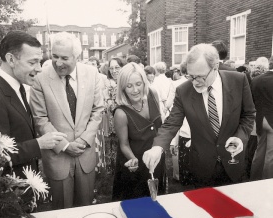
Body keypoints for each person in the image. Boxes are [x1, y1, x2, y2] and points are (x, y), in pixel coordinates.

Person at [143, 43, 255, 188]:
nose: (195, 82)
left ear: (215, 67)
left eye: (200, 77)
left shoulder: (239, 80)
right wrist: (157, 147)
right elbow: (172, 123)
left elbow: (248, 115)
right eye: (191, 76)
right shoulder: (183, 91)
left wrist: (240, 138)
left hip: (234, 163)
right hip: (202, 168)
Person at [0, 31, 66, 179]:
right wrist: (39, 144)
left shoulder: (19, 87)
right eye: (32, 62)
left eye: (39, 61)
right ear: (11, 60)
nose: (39, 68)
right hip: (9, 191)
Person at [30, 32, 104, 209]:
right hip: (58, 159)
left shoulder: (92, 74)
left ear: (76, 56)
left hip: (84, 154)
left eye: (64, 58)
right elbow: (40, 119)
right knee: (62, 211)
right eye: (54, 56)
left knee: (85, 208)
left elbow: (97, 110)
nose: (58, 62)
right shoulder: (40, 79)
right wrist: (65, 146)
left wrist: (84, 140)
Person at [112, 62, 165, 201]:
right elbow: (123, 144)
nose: (135, 90)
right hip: (136, 166)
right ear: (123, 88)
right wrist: (133, 159)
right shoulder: (121, 113)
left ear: (144, 83)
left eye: (138, 84)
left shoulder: (153, 95)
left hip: (156, 158)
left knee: (159, 202)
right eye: (129, 86)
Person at [250, 56, 273, 180]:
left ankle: (254, 179)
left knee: (259, 152)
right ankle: (267, 184)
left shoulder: (256, 79)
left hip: (259, 120)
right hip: (271, 121)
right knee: (271, 155)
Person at [104, 57, 126, 173]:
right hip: (111, 122)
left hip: (124, 123)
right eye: (111, 68)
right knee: (112, 144)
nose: (114, 70)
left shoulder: (126, 84)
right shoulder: (108, 85)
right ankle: (113, 169)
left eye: (117, 67)